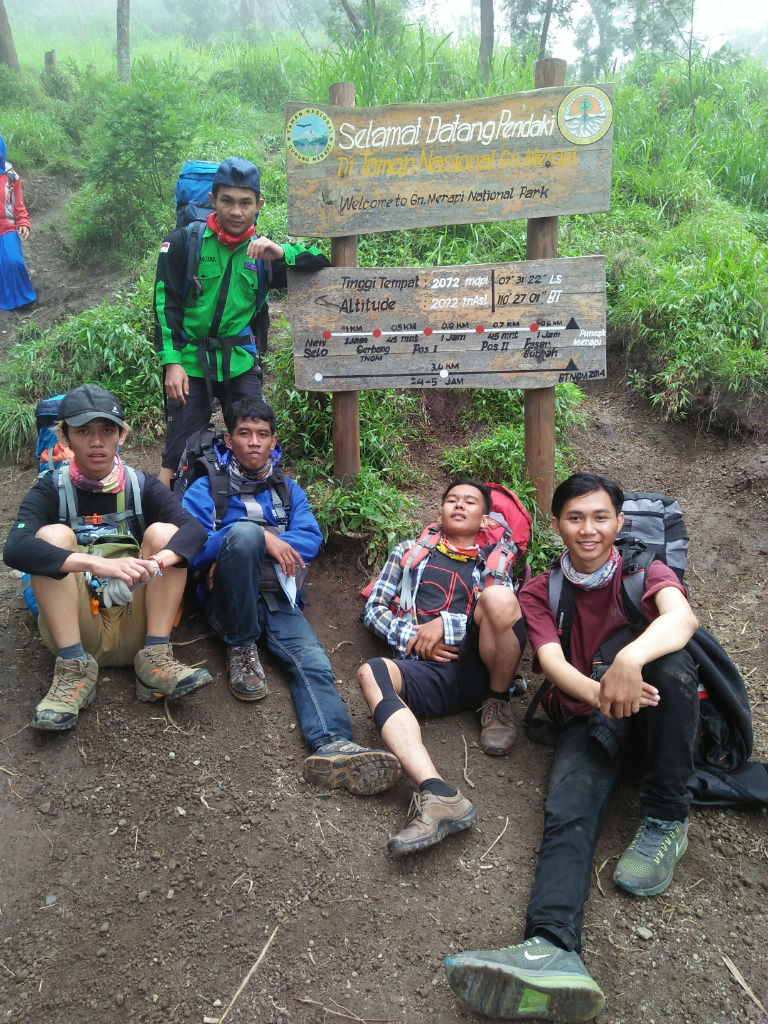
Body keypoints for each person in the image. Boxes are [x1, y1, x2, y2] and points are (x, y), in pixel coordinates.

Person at [444, 472, 700, 1022]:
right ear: (557, 524)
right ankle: (551, 947)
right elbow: (555, 665)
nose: (589, 529)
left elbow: (682, 618)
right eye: (575, 518)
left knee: (676, 664)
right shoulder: (542, 589)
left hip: (656, 722)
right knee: (567, 812)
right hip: (590, 719)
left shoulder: (643, 571)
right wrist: (604, 694)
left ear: (619, 522)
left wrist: (630, 661)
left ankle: (666, 820)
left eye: (600, 517)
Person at [181, 396, 402, 795]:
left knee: (313, 662)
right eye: (244, 434)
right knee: (245, 533)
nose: (253, 442)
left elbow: (310, 538)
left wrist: (255, 543)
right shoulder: (204, 488)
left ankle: (333, 746)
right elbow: (188, 547)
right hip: (227, 602)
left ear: (273, 440)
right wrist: (252, 539)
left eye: (262, 434)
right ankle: (241, 645)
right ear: (229, 440)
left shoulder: (287, 489)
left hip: (277, 595)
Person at [3, 385, 213, 732]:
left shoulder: (141, 486)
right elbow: (15, 548)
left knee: (164, 534)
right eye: (83, 431)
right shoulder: (50, 489)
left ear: (122, 435)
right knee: (51, 537)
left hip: (137, 618)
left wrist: (152, 565)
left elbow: (194, 531)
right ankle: (72, 671)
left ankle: (156, 661)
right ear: (64, 436)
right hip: (78, 626)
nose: (96, 441)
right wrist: (96, 564)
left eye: (106, 430)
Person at [357, 480, 526, 857]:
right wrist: (413, 637)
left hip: (477, 666)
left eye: (470, 502)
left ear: (484, 520)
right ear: (439, 512)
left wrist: (446, 626)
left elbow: (502, 614)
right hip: (424, 668)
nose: (459, 506)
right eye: (451, 500)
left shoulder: (496, 559)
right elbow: (375, 608)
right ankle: (437, 793)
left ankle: (497, 703)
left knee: (499, 598)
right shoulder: (407, 552)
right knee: (372, 671)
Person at [153, 156, 330, 487]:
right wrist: (171, 363)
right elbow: (166, 305)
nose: (236, 211)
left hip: (240, 361)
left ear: (258, 204)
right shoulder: (183, 242)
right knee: (179, 447)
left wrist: (281, 253)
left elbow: (322, 260)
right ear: (213, 200)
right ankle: (155, 520)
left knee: (255, 440)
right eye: (227, 201)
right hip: (190, 362)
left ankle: (261, 508)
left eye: (245, 203)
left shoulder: (263, 254)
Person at [0, 134, 36, 312]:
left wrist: (23, 222)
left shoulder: (11, 176)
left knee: (14, 262)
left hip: (7, 228)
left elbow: (18, 204)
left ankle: (24, 301)